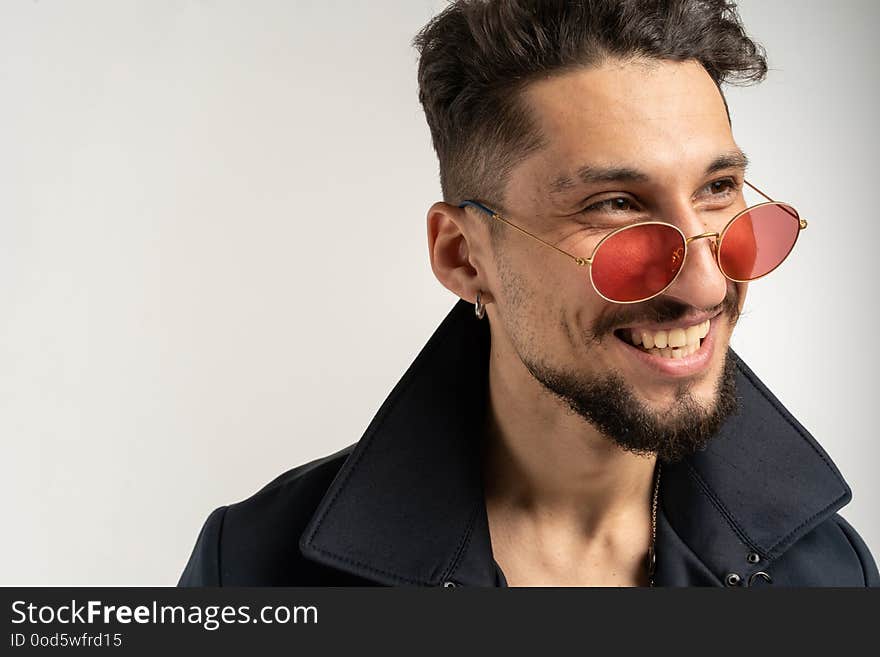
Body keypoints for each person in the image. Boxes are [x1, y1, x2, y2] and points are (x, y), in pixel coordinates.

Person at [178, 0, 879, 587]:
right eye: (613, 204)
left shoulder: (829, 572)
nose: (704, 281)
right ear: (464, 257)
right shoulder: (252, 571)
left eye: (719, 189)